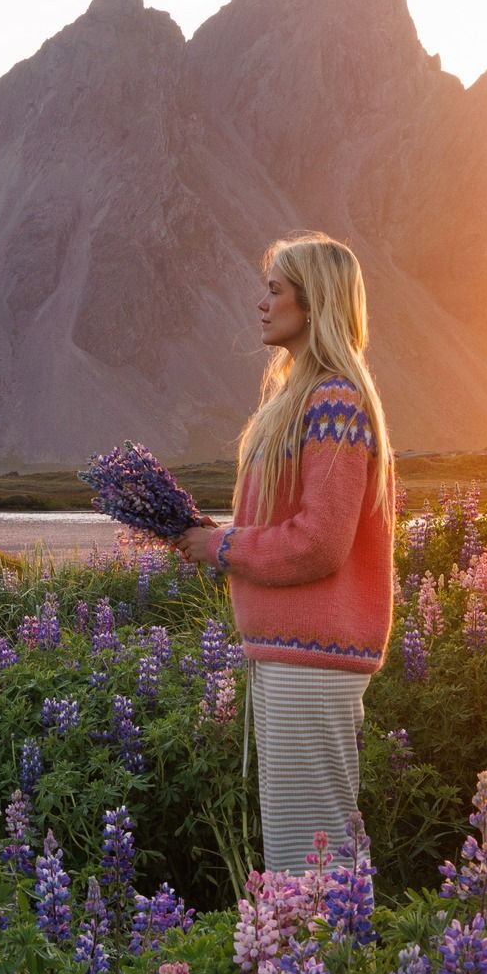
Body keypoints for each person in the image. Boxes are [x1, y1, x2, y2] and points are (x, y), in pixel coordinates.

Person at [176, 233, 396, 873]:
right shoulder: (302, 397)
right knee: (307, 853)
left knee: (313, 859)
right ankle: (324, 968)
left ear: (313, 301)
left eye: (274, 289)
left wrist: (221, 547)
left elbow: (318, 544)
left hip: (313, 660)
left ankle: (328, 969)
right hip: (293, 655)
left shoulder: (334, 401)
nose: (261, 304)